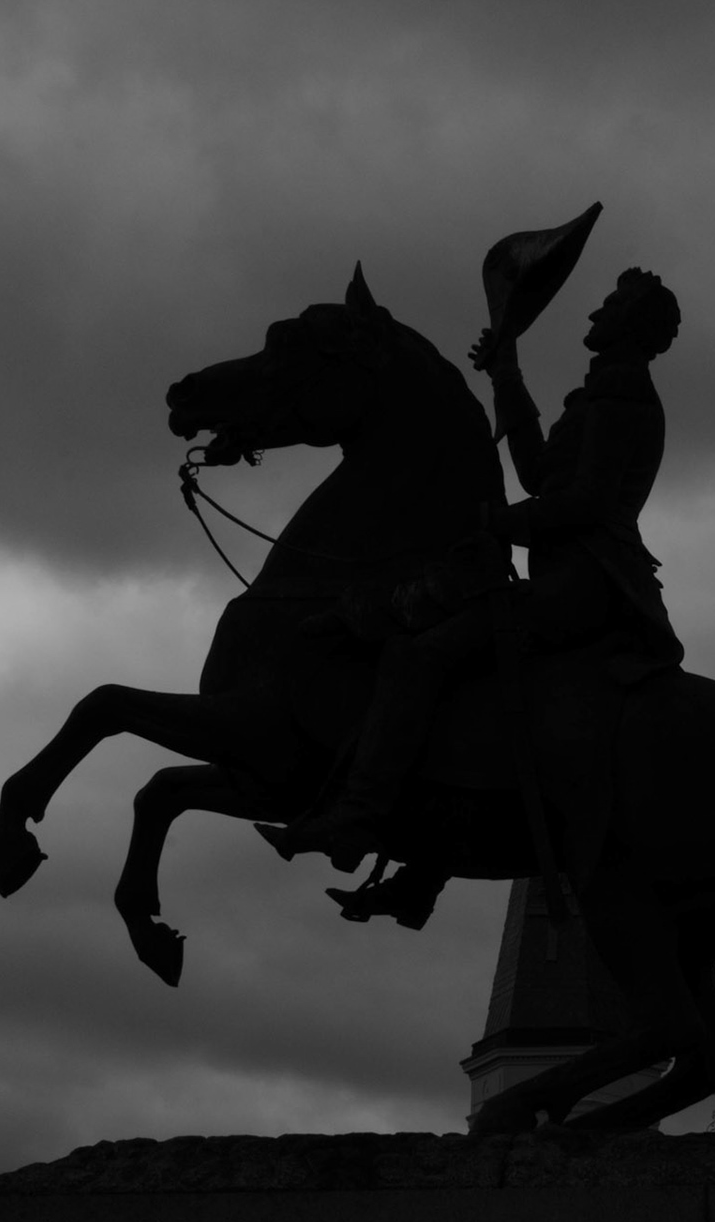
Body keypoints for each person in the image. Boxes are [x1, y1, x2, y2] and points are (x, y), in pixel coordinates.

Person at [260, 267, 685, 881]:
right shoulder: (600, 396)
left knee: (418, 656)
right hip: (563, 578)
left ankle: (357, 815)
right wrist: (505, 374)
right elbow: (541, 473)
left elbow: (587, 503)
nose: (595, 317)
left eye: (610, 307)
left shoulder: (621, 399)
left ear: (634, 328)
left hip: (586, 585)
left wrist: (495, 521)